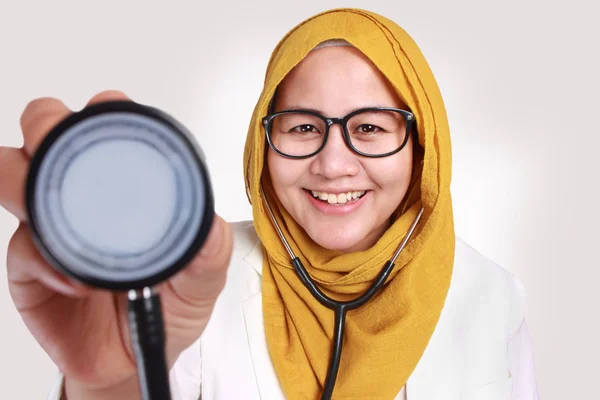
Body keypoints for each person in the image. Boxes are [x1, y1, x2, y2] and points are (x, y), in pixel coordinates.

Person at [0, 8, 540, 400]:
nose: (334, 164)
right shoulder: (185, 285)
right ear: (263, 143)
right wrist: (109, 387)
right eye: (303, 127)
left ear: (424, 148)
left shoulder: (493, 295)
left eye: (370, 127)